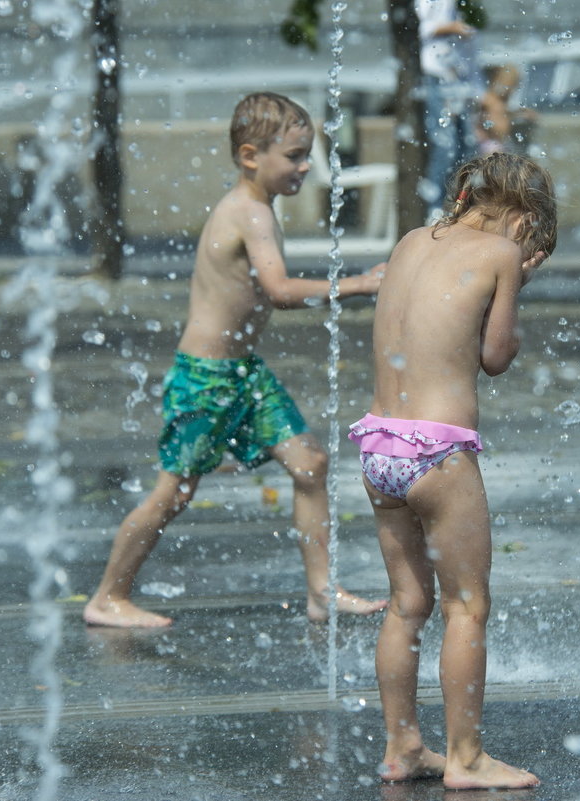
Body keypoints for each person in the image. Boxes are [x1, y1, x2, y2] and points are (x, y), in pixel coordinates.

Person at [84, 92, 388, 628]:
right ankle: (108, 597)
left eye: (307, 154)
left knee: (309, 463)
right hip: (205, 377)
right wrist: (360, 284)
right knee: (174, 493)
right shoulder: (248, 213)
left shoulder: (257, 209)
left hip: (242, 372)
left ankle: (321, 591)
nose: (304, 167)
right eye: (294, 155)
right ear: (251, 156)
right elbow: (279, 290)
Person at [348, 152, 557, 789]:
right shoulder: (500, 256)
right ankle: (465, 758)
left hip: (377, 445)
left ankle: (402, 747)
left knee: (408, 604)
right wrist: (518, 281)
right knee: (467, 605)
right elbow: (495, 357)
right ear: (522, 222)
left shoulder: (412, 241)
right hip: (437, 453)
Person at [415, 0, 485, 221]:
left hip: (458, 79)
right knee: (443, 143)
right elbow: (423, 28)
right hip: (437, 77)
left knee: (466, 145)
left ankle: (463, 202)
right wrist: (452, 28)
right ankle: (435, 208)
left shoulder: (462, 7)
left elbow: (471, 56)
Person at [476, 63, 537, 155]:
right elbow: (499, 128)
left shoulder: (497, 102)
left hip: (496, 144)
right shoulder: (490, 101)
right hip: (488, 146)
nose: (512, 90)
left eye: (515, 85)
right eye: (511, 85)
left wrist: (518, 113)